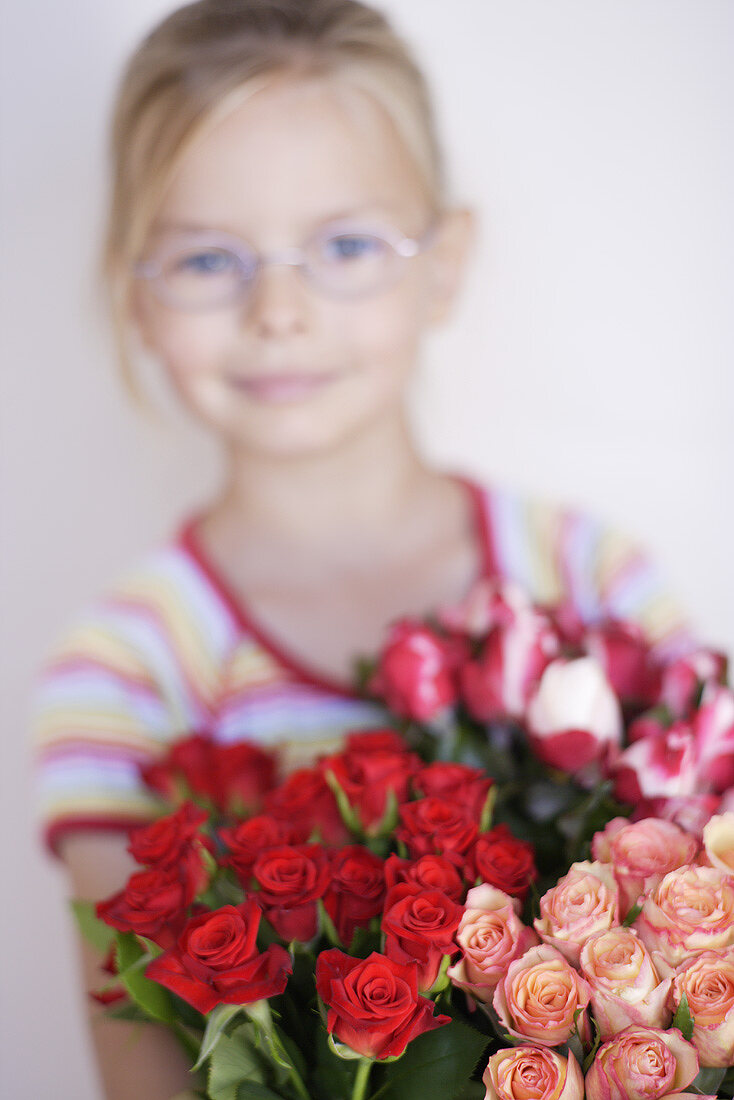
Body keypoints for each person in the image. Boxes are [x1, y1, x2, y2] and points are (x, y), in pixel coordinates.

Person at [28, 1, 695, 1097]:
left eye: (344, 244)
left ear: (444, 262)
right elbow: (137, 1060)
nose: (278, 309)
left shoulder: (591, 579)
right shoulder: (126, 670)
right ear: (131, 291)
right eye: (206, 259)